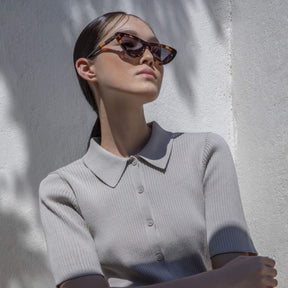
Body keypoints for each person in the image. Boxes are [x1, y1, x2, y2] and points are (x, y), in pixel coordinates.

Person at [38, 11, 278, 288]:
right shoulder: (63, 189)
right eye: (129, 45)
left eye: (157, 50)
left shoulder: (205, 153)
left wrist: (232, 278)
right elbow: (236, 277)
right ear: (87, 68)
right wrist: (223, 279)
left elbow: (246, 282)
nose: (149, 57)